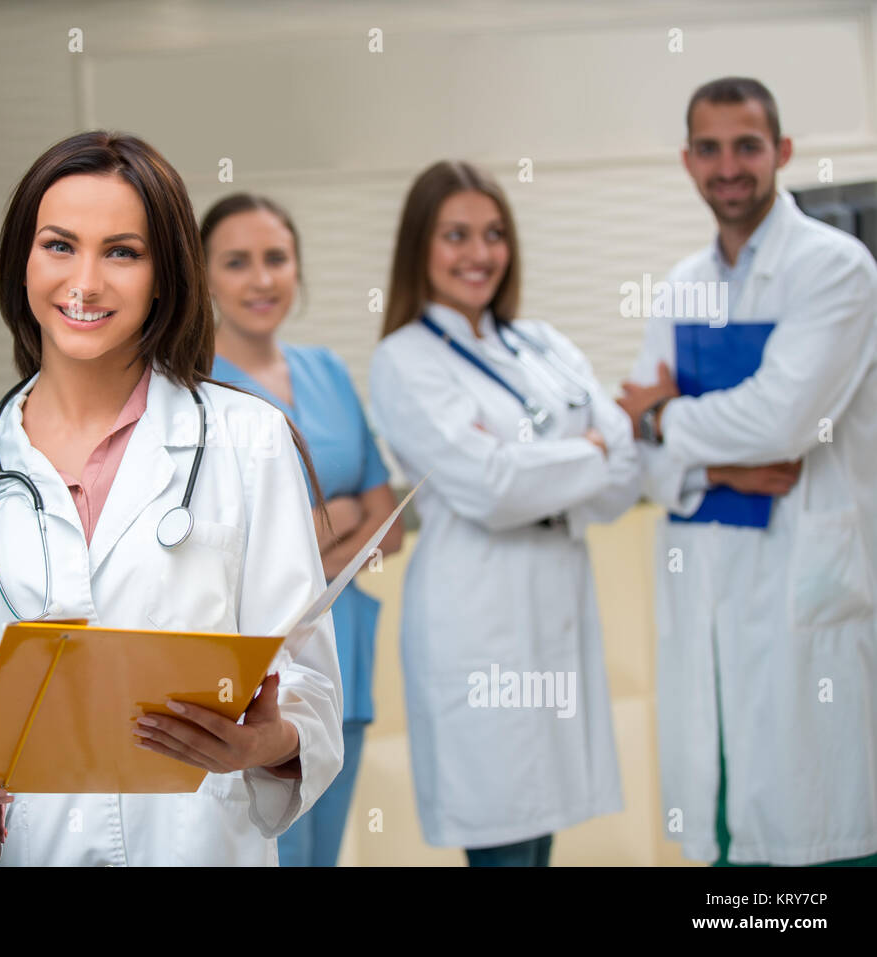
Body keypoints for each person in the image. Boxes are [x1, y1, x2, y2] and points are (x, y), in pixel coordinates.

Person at [0, 131, 343, 867]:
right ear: (22, 261)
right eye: (60, 245)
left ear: (165, 274)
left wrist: (271, 739)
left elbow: (305, 679)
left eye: (123, 252)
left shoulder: (250, 440)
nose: (87, 281)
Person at [617, 77, 877, 866]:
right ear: (688, 161)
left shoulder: (836, 268)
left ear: (782, 153)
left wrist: (667, 417)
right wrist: (712, 470)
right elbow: (636, 454)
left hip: (805, 580)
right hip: (708, 582)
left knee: (818, 815)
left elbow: (780, 422)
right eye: (709, 148)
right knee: (729, 823)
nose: (728, 165)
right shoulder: (683, 282)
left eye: (747, 146)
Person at [369, 161, 639, 866]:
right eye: (455, 235)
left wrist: (560, 461)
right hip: (479, 621)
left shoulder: (543, 343)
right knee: (503, 836)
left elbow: (623, 474)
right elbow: (489, 489)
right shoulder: (405, 359)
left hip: (555, 605)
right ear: (419, 248)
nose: (479, 253)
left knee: (539, 829)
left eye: (493, 234)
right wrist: (587, 445)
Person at [201, 193, 401, 866]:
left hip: (345, 662)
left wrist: (322, 529)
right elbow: (229, 554)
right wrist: (342, 515)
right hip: (258, 684)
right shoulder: (196, 393)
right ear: (203, 278)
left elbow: (391, 526)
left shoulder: (327, 371)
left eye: (276, 258)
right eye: (237, 262)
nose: (261, 279)